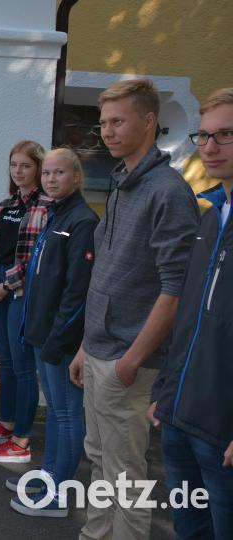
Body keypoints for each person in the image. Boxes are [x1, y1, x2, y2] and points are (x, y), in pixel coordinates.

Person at [69, 79, 199, 540]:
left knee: (127, 477)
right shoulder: (123, 183)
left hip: (130, 361)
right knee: (100, 460)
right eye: (103, 122)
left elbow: (176, 288)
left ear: (148, 122)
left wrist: (133, 359)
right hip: (101, 350)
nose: (106, 131)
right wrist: (86, 345)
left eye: (118, 120)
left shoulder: (167, 191)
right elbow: (106, 274)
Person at [148, 87, 233, 539]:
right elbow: (188, 319)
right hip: (180, 419)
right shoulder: (209, 216)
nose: (210, 148)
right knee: (189, 529)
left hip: (223, 431)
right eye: (203, 136)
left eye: (225, 135)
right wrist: (164, 391)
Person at [9, 148, 98, 518]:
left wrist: (58, 340)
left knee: (67, 414)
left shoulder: (82, 221)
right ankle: (49, 476)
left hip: (60, 341)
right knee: (57, 412)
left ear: (75, 177)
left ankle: (59, 493)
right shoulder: (54, 213)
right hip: (43, 334)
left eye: (58, 173)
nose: (50, 179)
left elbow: (77, 290)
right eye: (46, 173)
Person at [0, 140, 49, 464]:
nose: (18, 171)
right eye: (14, 165)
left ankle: (21, 440)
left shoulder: (45, 207)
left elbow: (36, 256)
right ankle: (6, 424)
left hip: (20, 289)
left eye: (26, 166)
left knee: (23, 366)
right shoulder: (6, 204)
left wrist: (7, 284)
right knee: (5, 361)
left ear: (39, 169)